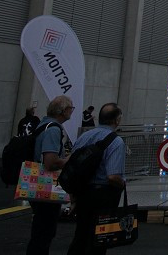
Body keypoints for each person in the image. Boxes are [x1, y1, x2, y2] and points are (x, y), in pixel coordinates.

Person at [67, 103, 126, 255]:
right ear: (117, 120)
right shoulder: (116, 141)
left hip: (82, 193)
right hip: (103, 196)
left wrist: (73, 198)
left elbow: (72, 168)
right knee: (99, 240)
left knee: (81, 236)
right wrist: (122, 184)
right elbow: (113, 176)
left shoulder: (83, 137)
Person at [26, 96, 72, 255]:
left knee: (40, 229)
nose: (71, 111)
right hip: (45, 186)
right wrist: (68, 160)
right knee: (44, 231)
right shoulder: (53, 129)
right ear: (63, 111)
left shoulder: (43, 125)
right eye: (70, 108)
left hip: (36, 182)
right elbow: (50, 162)